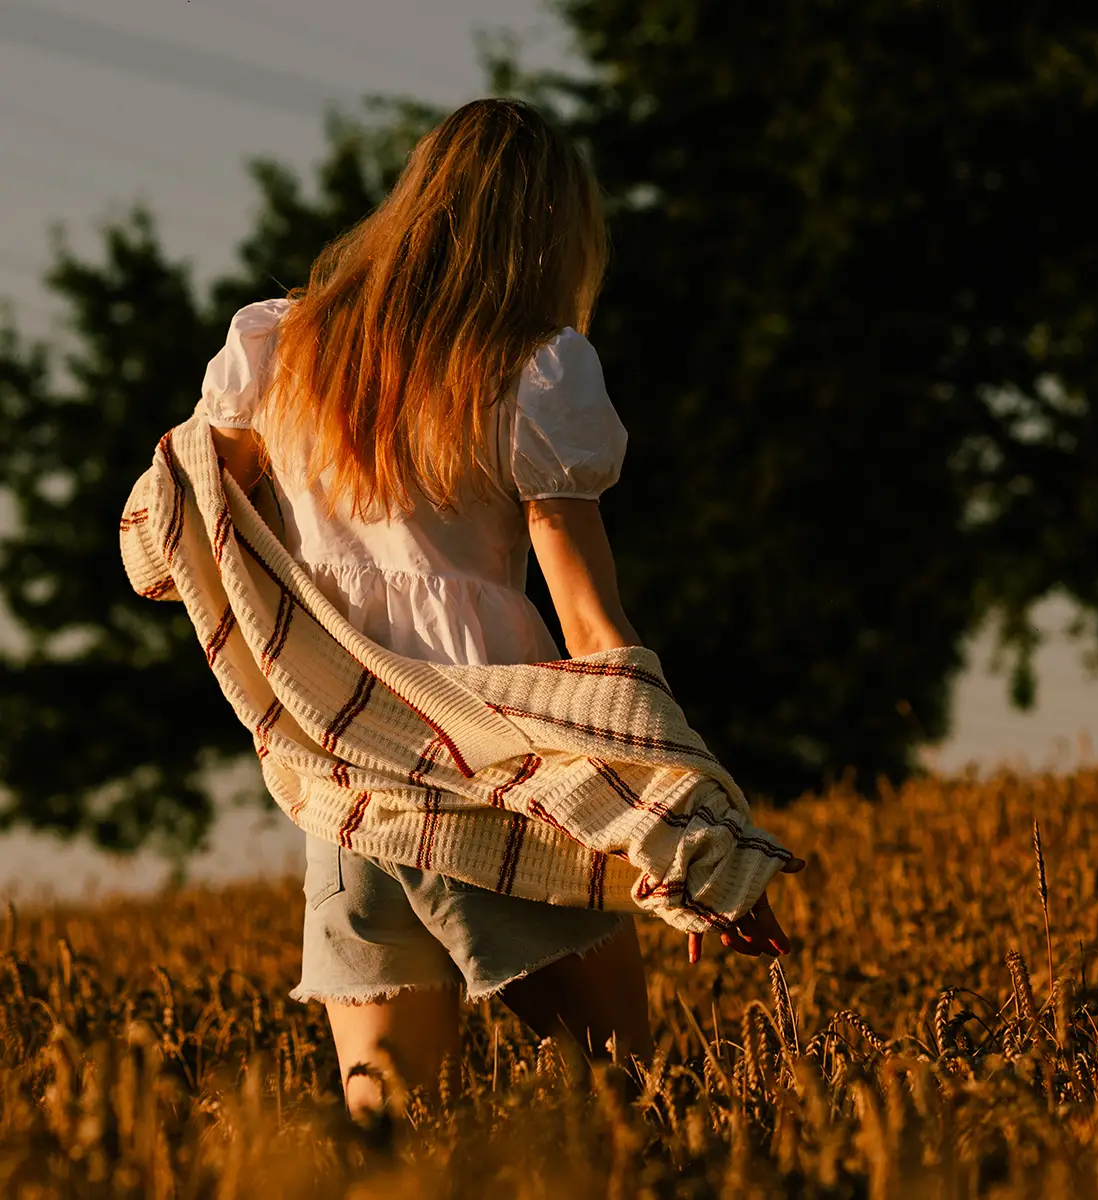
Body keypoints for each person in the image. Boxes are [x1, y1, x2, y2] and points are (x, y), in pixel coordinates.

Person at [200, 98, 800, 1119]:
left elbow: (190, 524)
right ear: (550, 231)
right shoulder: (535, 369)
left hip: (347, 797)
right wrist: (691, 836)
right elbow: (590, 629)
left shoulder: (279, 352)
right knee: (637, 1114)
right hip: (499, 788)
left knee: (387, 1150)